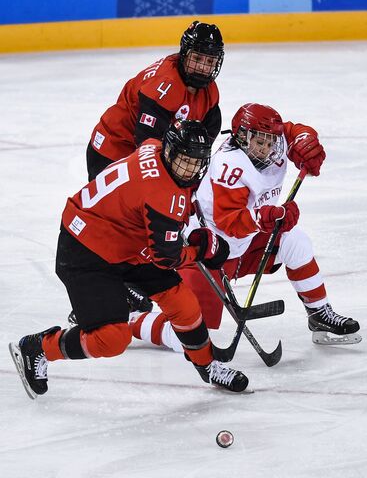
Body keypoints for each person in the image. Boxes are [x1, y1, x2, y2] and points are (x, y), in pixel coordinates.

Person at [9, 120, 250, 400]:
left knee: (182, 302)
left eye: (197, 162)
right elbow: (167, 258)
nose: (191, 169)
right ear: (171, 152)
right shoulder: (162, 194)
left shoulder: (154, 147)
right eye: (184, 161)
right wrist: (201, 251)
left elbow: (157, 210)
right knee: (111, 339)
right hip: (86, 249)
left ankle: (207, 366)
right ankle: (38, 347)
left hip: (124, 241)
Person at [130, 104, 361, 353]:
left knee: (296, 242)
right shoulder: (229, 166)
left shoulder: (273, 145)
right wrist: (269, 217)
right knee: (188, 338)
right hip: (208, 252)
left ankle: (319, 313)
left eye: (270, 141)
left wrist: (306, 141)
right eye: (259, 142)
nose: (266, 148)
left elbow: (292, 131)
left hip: (247, 244)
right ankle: (129, 321)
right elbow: (231, 223)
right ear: (241, 137)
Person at [87, 20, 224, 182]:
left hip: (138, 149)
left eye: (210, 61)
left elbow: (208, 130)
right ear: (185, 54)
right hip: (113, 148)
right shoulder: (164, 85)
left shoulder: (209, 92)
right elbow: (147, 141)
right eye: (197, 58)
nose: (203, 67)